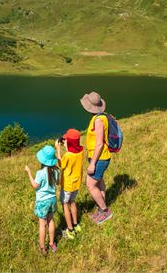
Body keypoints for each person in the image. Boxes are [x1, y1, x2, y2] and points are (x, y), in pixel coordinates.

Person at [80, 91, 113, 224]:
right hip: (100, 156)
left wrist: (92, 163)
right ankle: (101, 209)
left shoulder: (98, 120)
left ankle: (105, 211)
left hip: (99, 158)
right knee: (99, 182)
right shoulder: (101, 117)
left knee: (90, 185)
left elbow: (99, 143)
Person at [24, 145, 60, 255]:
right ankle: (52, 243)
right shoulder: (56, 171)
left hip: (42, 202)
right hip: (52, 200)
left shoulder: (40, 173)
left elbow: (35, 186)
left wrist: (28, 172)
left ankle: (43, 248)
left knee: (42, 224)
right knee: (51, 221)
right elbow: (58, 183)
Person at [54, 129, 84, 240]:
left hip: (68, 185)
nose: (64, 141)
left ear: (70, 142)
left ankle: (70, 230)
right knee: (72, 202)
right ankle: (76, 225)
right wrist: (66, 145)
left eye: (66, 140)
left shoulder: (67, 155)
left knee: (65, 204)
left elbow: (61, 164)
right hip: (76, 183)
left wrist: (58, 149)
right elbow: (73, 152)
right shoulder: (80, 151)